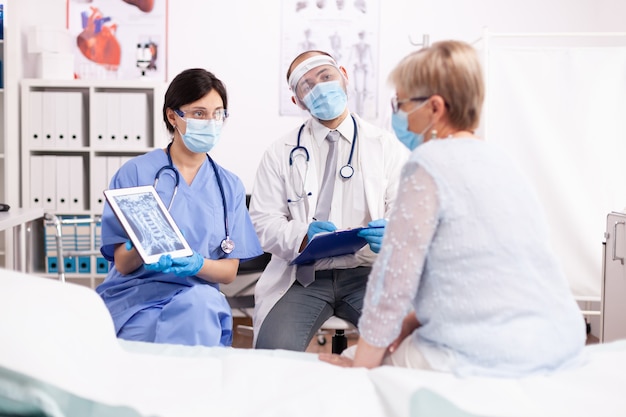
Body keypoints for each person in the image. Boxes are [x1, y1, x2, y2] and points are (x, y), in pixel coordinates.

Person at [319, 40, 586, 377]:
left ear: (434, 108)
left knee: (359, 361)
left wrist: (360, 366)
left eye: (399, 103)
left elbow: (392, 286)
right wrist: (409, 325)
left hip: (486, 352)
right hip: (558, 338)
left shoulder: (428, 164)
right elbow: (483, 272)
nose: (396, 114)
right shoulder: (501, 160)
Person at [249, 50, 410, 351]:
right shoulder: (279, 152)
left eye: (325, 77)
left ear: (344, 76)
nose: (319, 88)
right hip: (303, 277)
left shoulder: (387, 146)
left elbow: (406, 212)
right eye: (307, 86)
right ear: (297, 101)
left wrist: (392, 232)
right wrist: (301, 236)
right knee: (273, 352)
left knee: (403, 345)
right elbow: (263, 223)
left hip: (369, 275)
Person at [96, 68, 263, 347]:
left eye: (218, 113)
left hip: (198, 296)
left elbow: (228, 271)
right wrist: (144, 242)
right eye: (199, 113)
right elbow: (123, 264)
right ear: (172, 116)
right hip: (137, 297)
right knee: (152, 342)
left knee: (199, 309)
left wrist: (196, 264)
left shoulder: (228, 185)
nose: (210, 122)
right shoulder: (136, 173)